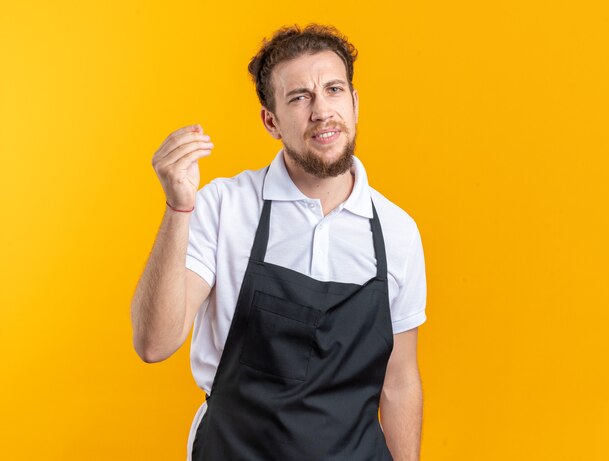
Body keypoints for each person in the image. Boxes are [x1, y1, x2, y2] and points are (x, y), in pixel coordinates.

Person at [131, 23, 427, 461]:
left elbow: (399, 382)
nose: (322, 111)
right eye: (299, 97)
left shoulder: (397, 231)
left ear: (355, 101)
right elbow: (155, 343)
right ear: (271, 121)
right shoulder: (224, 207)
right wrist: (178, 209)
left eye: (333, 89)